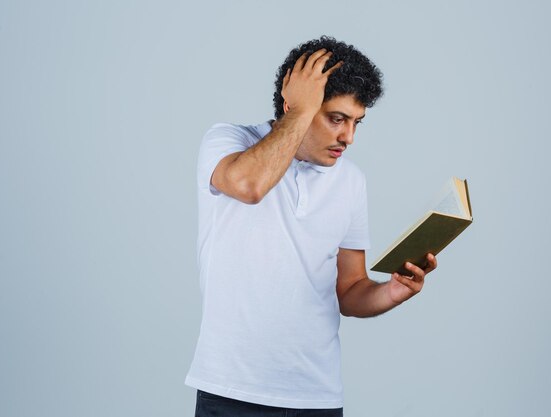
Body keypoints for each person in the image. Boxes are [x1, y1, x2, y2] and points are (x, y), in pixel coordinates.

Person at [185, 36, 437, 417]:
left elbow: (350, 290)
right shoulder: (228, 141)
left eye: (356, 122)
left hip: (317, 397)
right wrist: (300, 113)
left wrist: (393, 292)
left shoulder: (351, 180)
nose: (348, 137)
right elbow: (248, 186)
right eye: (336, 118)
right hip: (231, 391)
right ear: (294, 105)